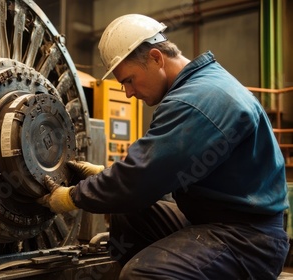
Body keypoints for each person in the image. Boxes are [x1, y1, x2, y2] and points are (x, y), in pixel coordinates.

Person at [38, 14, 290, 279]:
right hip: (214, 220)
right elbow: (155, 172)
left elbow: (141, 177)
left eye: (129, 80)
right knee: (127, 207)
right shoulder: (198, 87)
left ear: (156, 58)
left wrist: (70, 197)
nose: (128, 93)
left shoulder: (196, 101)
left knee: (143, 274)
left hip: (250, 240)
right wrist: (106, 176)